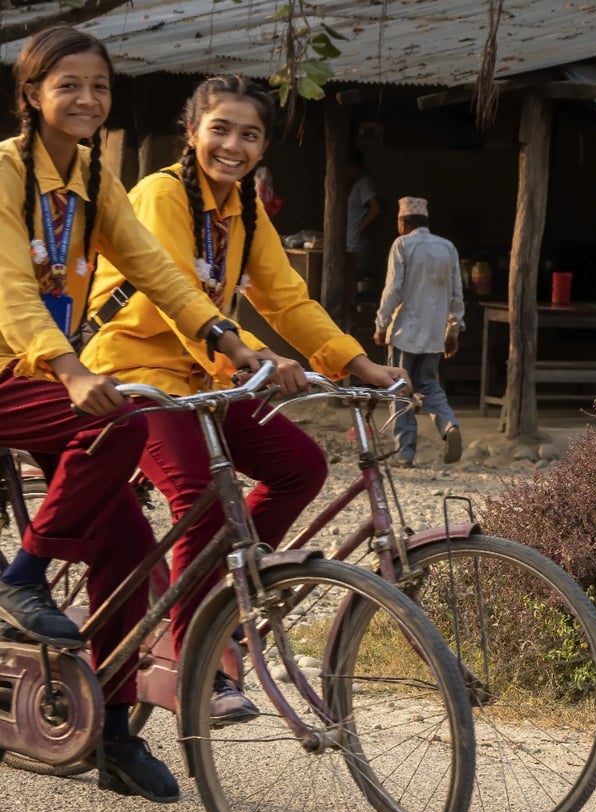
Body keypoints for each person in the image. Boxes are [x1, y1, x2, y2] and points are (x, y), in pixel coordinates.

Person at [83, 74, 409, 724]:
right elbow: (178, 291)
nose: (234, 145)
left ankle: (222, 602)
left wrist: (355, 361)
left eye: (249, 134)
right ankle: (193, 655)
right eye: (221, 129)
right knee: (198, 492)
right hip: (136, 377)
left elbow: (285, 297)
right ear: (193, 131)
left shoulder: (246, 208)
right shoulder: (161, 194)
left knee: (301, 466)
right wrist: (245, 354)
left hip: (206, 380)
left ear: (265, 145)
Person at [0, 26, 268, 803]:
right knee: (120, 424)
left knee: (130, 550)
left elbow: (157, 269)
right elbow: (13, 289)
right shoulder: (9, 172)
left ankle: (113, 734)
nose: (87, 99)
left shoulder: (92, 175)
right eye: (69, 85)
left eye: (100, 87)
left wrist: (223, 335)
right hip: (23, 368)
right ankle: (25, 577)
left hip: (49, 377)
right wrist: (70, 365)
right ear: (33, 95)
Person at [374, 197, 464, 467]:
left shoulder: (402, 245)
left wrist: (381, 323)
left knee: (400, 389)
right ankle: (448, 426)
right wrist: (454, 329)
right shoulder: (448, 247)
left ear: (405, 222)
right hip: (434, 333)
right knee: (428, 386)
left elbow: (393, 289)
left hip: (405, 333)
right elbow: (456, 293)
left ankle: (405, 453)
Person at [346, 147, 381, 295]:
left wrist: (361, 229)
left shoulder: (363, 183)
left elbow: (376, 208)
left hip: (357, 245)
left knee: (356, 286)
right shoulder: (357, 185)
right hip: (353, 243)